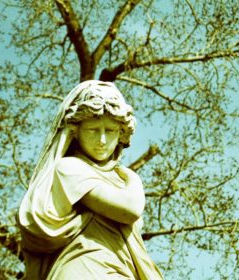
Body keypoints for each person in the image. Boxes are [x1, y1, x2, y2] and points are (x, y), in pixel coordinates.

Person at [18, 80, 163, 279]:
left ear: (122, 133)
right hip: (86, 268)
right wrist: (133, 178)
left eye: (110, 131)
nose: (102, 140)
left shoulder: (115, 179)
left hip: (120, 270)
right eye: (93, 130)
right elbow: (130, 209)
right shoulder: (70, 168)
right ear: (75, 132)